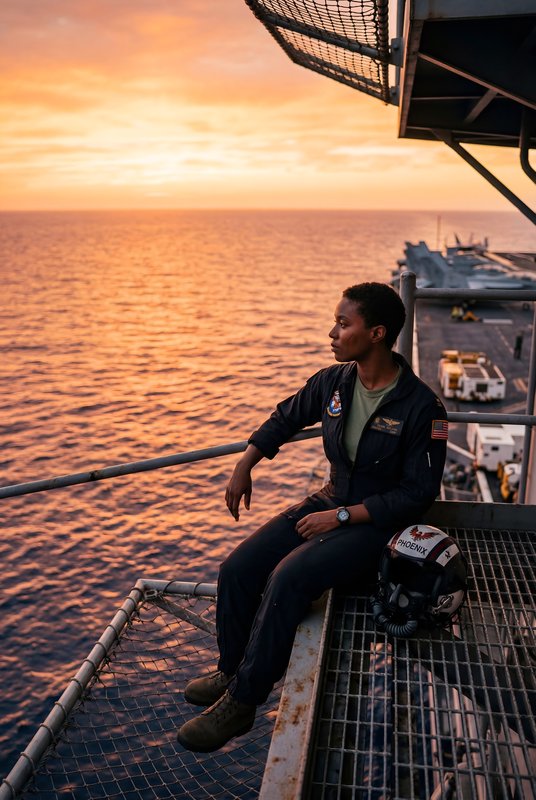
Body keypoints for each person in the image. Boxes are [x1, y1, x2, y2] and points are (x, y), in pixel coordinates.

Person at [176, 282, 448, 753]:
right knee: (237, 568)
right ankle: (231, 668)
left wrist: (341, 517)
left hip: (377, 525)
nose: (332, 333)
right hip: (332, 498)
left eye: (344, 324)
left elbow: (417, 494)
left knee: (288, 578)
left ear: (377, 333)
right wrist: (245, 464)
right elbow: (286, 417)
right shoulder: (334, 382)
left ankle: (243, 702)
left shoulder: (422, 407)